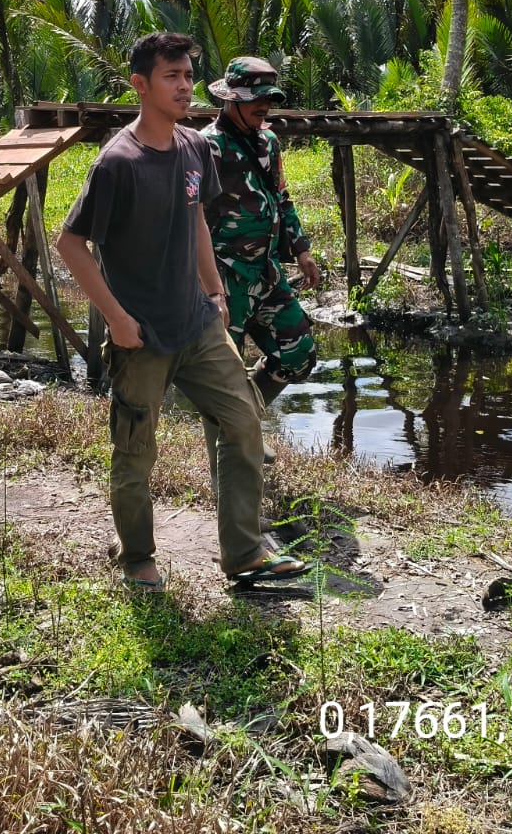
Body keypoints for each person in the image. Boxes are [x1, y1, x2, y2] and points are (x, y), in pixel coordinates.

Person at [55, 32, 311, 592]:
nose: (184, 86)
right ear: (140, 85)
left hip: (198, 324)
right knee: (135, 451)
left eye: (189, 76)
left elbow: (196, 217)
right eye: (171, 76)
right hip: (142, 336)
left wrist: (215, 294)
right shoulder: (118, 162)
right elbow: (70, 244)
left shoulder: (194, 147)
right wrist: (117, 320)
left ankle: (244, 553)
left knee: (243, 423)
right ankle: (137, 558)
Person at [202, 57, 321, 462]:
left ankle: (248, 417)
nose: (264, 106)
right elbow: (189, 218)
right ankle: (234, 460)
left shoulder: (268, 142)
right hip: (225, 278)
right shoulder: (207, 147)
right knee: (226, 372)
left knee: (300, 353)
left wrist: (302, 250)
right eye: (256, 99)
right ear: (231, 100)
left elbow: (281, 198)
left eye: (268, 99)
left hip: (267, 273)